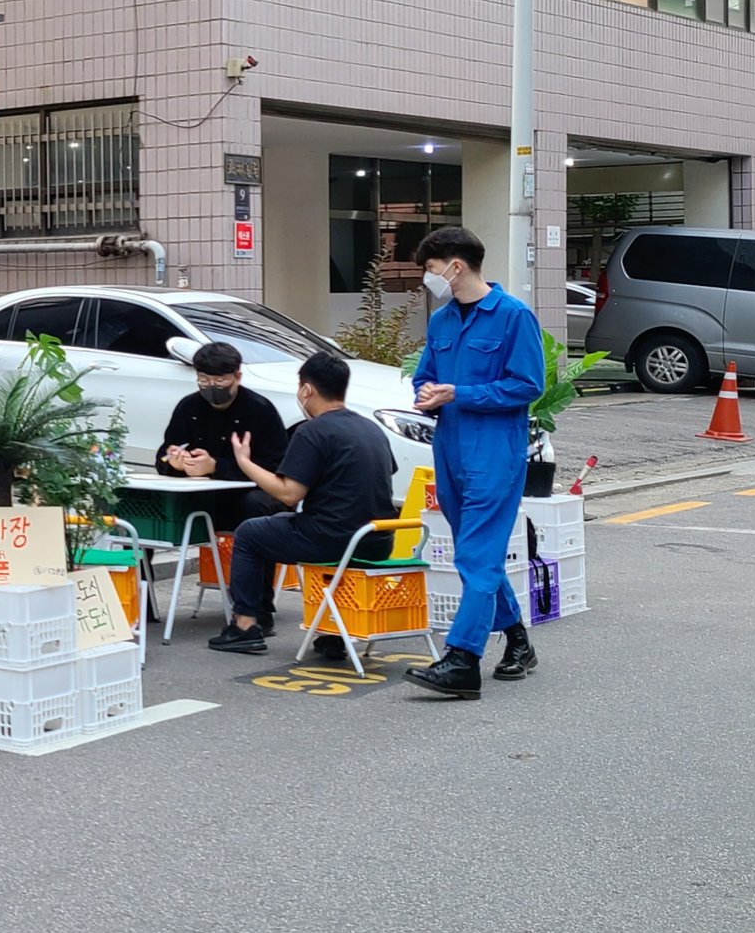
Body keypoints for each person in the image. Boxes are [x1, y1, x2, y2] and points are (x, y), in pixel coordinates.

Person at [402, 226, 544, 699]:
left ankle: (463, 658)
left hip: (495, 451)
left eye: (430, 268)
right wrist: (426, 392)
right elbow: (426, 374)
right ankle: (518, 640)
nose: (428, 277)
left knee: (476, 556)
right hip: (451, 447)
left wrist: (461, 393)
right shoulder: (442, 321)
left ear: (455, 266)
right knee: (476, 554)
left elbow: (528, 385)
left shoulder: (513, 316)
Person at [205, 351, 396, 656]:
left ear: (306, 390)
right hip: (378, 540)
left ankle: (245, 625)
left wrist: (244, 461)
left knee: (250, 533)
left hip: (333, 539)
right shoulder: (370, 428)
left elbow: (289, 494)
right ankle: (332, 634)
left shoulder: (313, 431)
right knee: (284, 526)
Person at [155, 340, 288, 541]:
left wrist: (216, 466)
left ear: (238, 377)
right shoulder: (188, 407)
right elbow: (165, 454)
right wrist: (174, 462)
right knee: (148, 503)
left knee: (255, 504)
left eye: (220, 381)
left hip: (246, 494)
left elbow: (275, 465)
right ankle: (138, 570)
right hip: (199, 494)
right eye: (204, 380)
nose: (212, 387)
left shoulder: (260, 411)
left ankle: (253, 569)